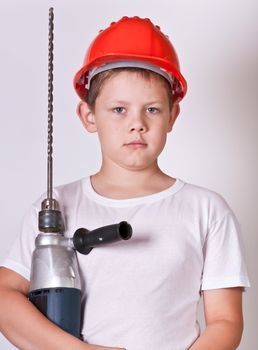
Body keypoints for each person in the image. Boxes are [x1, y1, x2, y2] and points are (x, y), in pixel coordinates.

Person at [0, 16, 250, 350]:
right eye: (119, 109)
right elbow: (4, 299)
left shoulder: (206, 209)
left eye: (152, 110)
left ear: (172, 116)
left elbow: (226, 321)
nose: (137, 124)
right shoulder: (56, 206)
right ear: (89, 116)